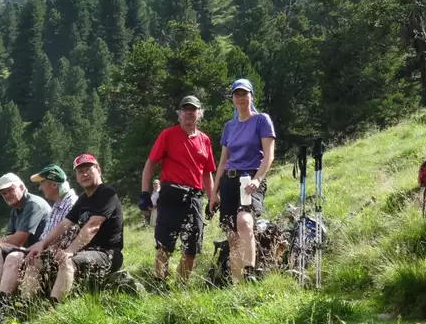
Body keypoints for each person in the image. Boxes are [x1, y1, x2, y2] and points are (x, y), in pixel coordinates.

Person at [24, 154, 123, 305]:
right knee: (35, 261)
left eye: (88, 170)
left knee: (67, 262)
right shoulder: (83, 199)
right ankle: (26, 308)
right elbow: (64, 224)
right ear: (76, 177)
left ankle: (53, 309)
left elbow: (93, 226)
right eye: (80, 171)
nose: (84, 174)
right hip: (85, 252)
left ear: (98, 170)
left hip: (107, 253)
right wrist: (42, 244)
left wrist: (70, 251)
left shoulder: (107, 193)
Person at [138, 95, 216, 281]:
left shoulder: (204, 140)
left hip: (195, 197)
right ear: (179, 114)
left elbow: (207, 173)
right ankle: (160, 284)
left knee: (192, 247)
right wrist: (144, 193)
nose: (189, 113)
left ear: (199, 113)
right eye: (185, 109)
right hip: (171, 194)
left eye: (193, 109)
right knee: (164, 244)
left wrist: (213, 198)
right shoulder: (168, 134)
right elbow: (150, 164)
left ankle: (182, 286)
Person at [210, 79, 276, 283]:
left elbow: (269, 156)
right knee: (231, 234)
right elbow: (222, 163)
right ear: (232, 99)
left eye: (244, 93)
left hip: (250, 179)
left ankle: (250, 273)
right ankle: (237, 285)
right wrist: (213, 193)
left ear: (251, 96)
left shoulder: (261, 120)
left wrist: (257, 181)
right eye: (236, 94)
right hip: (229, 182)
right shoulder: (229, 127)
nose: (240, 98)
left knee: (244, 221)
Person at [0, 174, 50, 307]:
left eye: (10, 190)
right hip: (27, 250)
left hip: (41, 251)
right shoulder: (16, 210)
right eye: (3, 193)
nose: (7, 195)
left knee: (2, 252)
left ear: (22, 187)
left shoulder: (33, 205)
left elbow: (17, 240)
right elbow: (8, 237)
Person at [30, 164, 79, 239]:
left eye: (42, 183)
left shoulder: (72, 205)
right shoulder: (56, 206)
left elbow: (63, 241)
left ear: (54, 185)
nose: (40, 188)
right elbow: (44, 239)